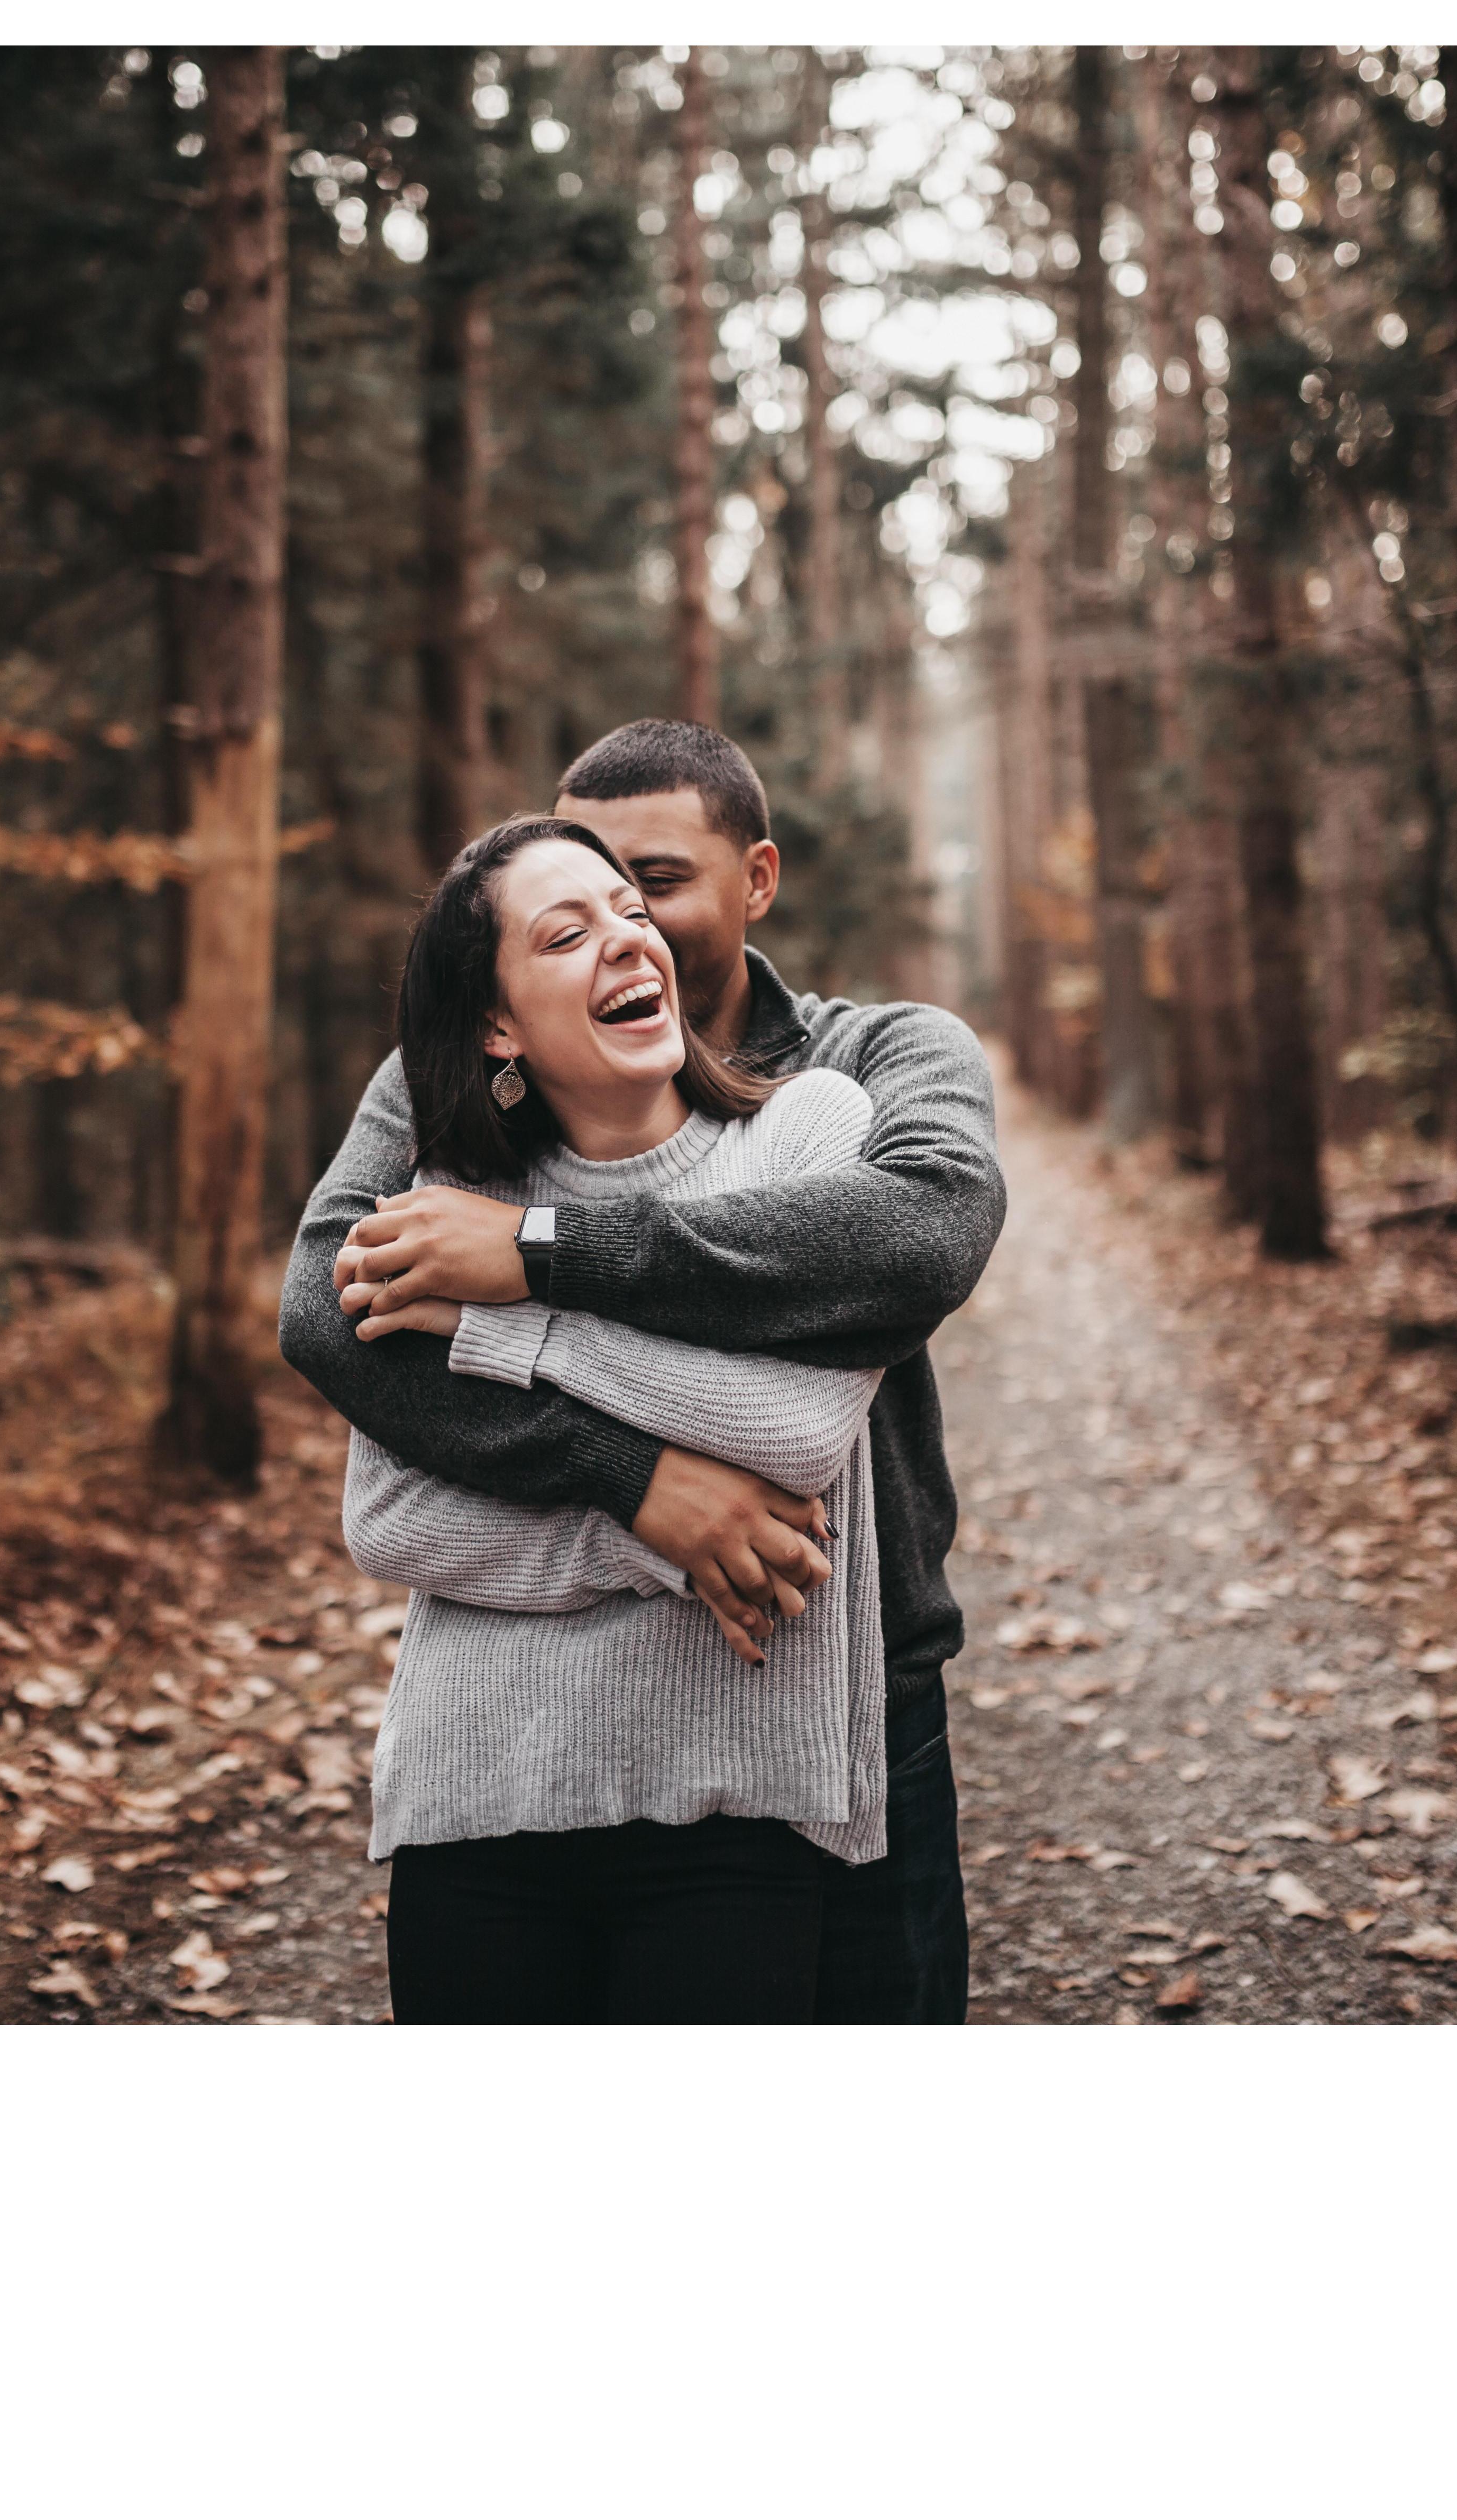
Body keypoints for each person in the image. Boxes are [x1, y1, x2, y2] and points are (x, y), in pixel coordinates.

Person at [279, 721, 1005, 2021]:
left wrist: (533, 1261)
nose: (630, 925)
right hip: (508, 1762)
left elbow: (924, 1238)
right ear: (497, 1011)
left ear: (757, 879)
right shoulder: (449, 1098)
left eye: (652, 885)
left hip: (850, 1673)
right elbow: (329, 1311)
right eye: (578, 896)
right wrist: (637, 1485)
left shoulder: (868, 1060)